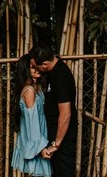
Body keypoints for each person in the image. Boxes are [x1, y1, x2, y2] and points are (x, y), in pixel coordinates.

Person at [30, 43, 77, 177]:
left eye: (36, 66)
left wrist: (56, 144)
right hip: (55, 135)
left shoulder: (61, 76)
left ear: (45, 64)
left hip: (63, 138)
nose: (35, 69)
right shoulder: (53, 73)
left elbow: (65, 113)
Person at [10, 55, 52, 176]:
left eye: (36, 66)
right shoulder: (29, 91)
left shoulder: (34, 88)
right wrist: (40, 148)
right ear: (25, 70)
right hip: (35, 141)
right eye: (32, 67)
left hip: (39, 139)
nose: (37, 69)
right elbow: (32, 122)